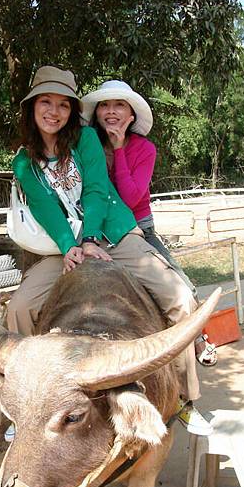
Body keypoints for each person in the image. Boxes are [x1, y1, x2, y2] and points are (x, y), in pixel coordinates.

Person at [6, 65, 212, 437]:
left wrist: (88, 239)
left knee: (181, 297)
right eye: (46, 103)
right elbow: (45, 208)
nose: (54, 112)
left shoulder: (85, 140)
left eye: (63, 105)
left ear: (72, 111)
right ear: (32, 107)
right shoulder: (23, 161)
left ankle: (185, 398)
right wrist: (70, 246)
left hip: (111, 233)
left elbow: (97, 190)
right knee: (19, 309)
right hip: (63, 247)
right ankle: (19, 409)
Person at [81, 80, 217, 367]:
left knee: (181, 283)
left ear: (131, 115)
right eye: (104, 105)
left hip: (137, 228)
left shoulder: (144, 149)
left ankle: (197, 338)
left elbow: (131, 198)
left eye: (119, 105)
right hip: (90, 228)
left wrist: (118, 149)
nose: (111, 111)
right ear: (96, 112)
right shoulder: (86, 144)